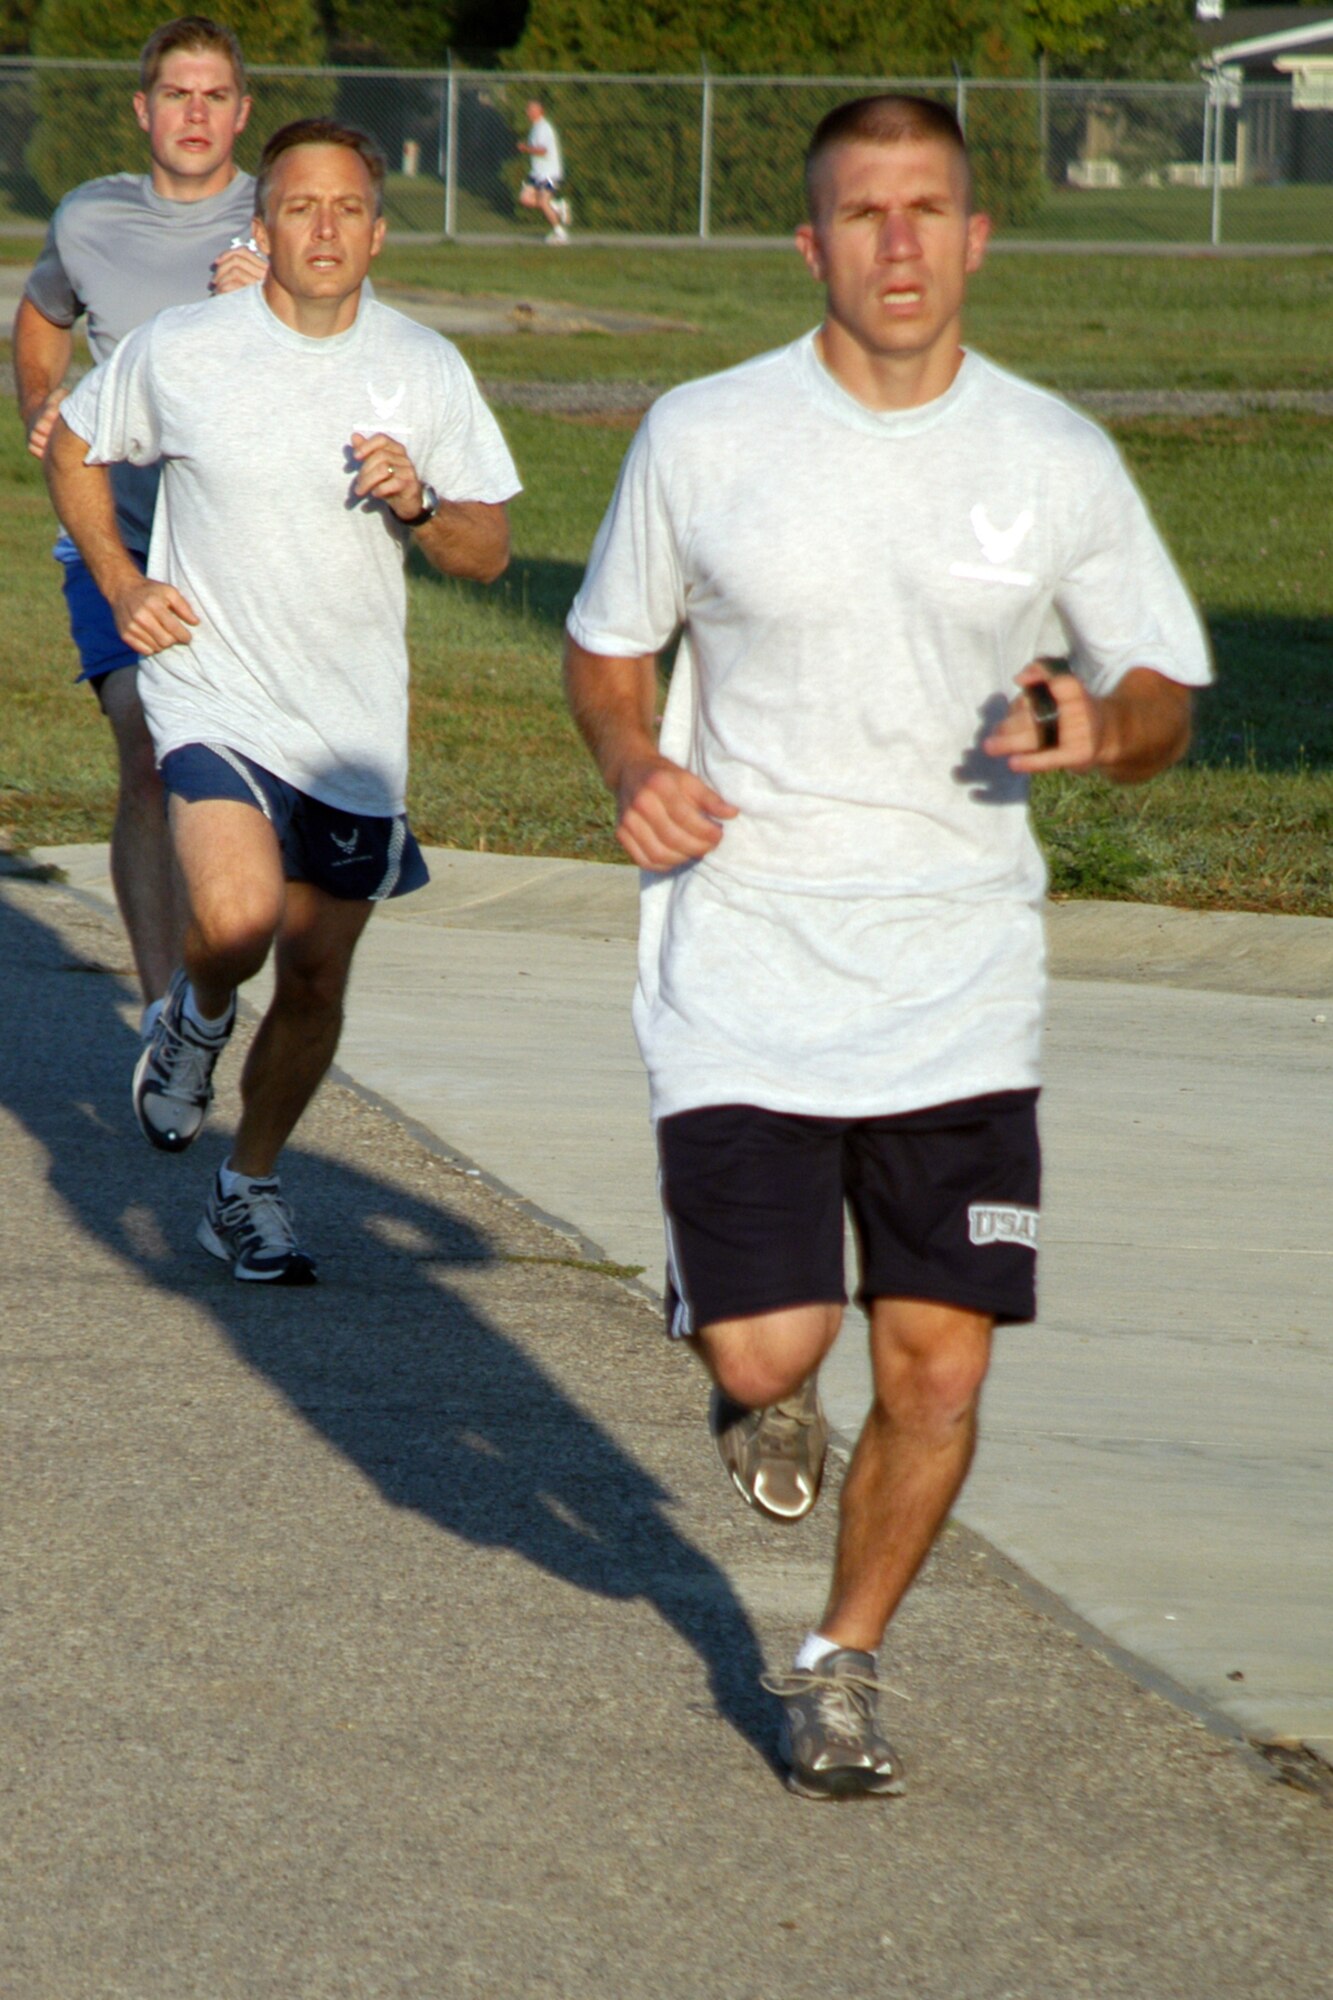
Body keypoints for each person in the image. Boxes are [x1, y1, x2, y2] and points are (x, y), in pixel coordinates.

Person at [563, 95, 1210, 1799]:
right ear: (810, 245)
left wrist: (1101, 730)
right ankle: (752, 1379)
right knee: (772, 1352)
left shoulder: (1052, 455)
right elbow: (606, 649)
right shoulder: (704, 434)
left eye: (929, 210)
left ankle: (840, 1661)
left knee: (933, 1362)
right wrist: (632, 764)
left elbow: (1160, 688)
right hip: (746, 957)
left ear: (978, 237)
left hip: (957, 980)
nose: (900, 243)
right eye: (865, 214)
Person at [46, 118, 519, 1285]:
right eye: (299, 207)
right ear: (262, 227)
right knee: (241, 915)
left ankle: (245, 1186)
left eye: (347, 208)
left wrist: (419, 504)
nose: (323, 227)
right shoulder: (187, 345)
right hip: (215, 693)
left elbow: (489, 549)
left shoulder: (423, 367)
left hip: (352, 727)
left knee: (313, 981)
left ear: (377, 232)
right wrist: (119, 578)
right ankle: (196, 1014)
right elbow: (73, 444)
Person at [14, 16, 267, 1040]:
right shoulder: (89, 218)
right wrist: (41, 397)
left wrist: (274, 300)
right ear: (142, 109)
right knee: (143, 737)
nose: (195, 115)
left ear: (242, 111)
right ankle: (169, 1006)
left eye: (215, 97)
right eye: (177, 95)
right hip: (114, 530)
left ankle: (219, 961)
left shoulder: (283, 212)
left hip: (246, 543)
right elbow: (41, 313)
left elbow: (354, 333)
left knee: (243, 765)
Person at [517, 98, 570, 243]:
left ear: (539, 111)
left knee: (543, 201)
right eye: (528, 109)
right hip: (537, 173)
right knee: (525, 199)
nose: (528, 112)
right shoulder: (535, 127)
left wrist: (525, 148)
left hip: (550, 173)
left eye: (531, 109)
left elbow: (543, 151)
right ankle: (557, 206)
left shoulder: (544, 128)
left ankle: (560, 233)